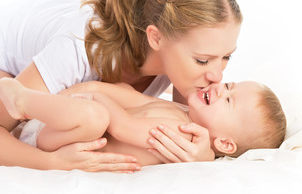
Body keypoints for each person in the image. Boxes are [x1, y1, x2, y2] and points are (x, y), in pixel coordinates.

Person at [0, 0, 242, 171]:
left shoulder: (182, 65)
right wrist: (51, 163)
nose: (217, 76)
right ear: (156, 38)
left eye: (226, 57)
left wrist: (205, 157)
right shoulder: (79, 49)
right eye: (202, 60)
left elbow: (195, 123)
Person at [0, 78, 286, 168]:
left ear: (224, 143)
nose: (221, 88)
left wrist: (95, 96)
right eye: (230, 85)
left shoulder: (184, 137)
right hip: (59, 132)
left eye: (228, 101)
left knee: (95, 116)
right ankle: (29, 101)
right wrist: (86, 92)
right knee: (96, 109)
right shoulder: (178, 109)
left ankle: (22, 97)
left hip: (65, 144)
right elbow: (129, 97)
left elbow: (120, 125)